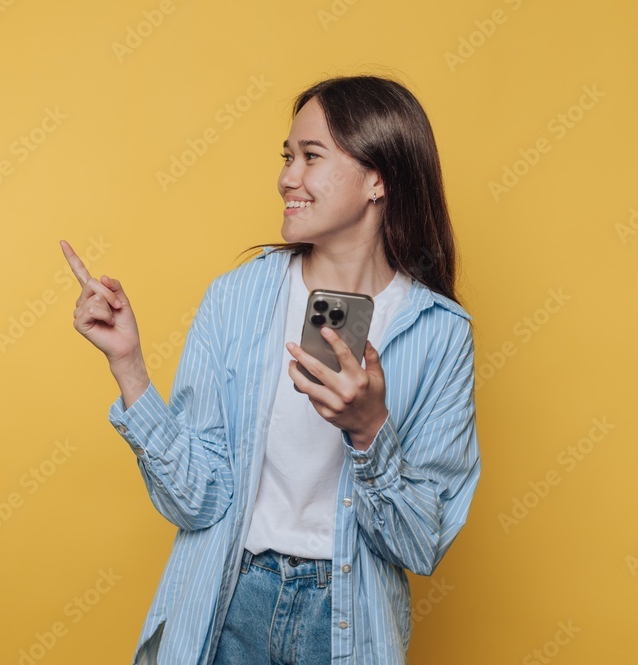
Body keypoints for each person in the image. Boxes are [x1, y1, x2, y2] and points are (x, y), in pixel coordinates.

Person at [60, 74, 480, 665]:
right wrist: (128, 365)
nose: (287, 177)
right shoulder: (237, 297)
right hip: (230, 601)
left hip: (347, 621)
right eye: (287, 157)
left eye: (312, 156)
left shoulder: (439, 333)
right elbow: (197, 501)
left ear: (378, 180)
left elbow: (420, 544)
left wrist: (369, 432)